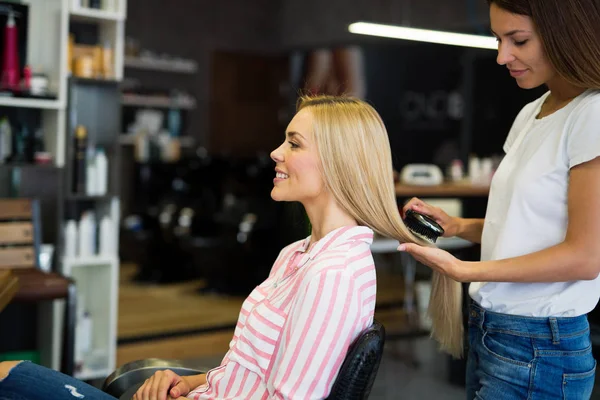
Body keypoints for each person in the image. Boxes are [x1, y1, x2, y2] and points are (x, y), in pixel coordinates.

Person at [0, 95, 434, 400]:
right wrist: (192, 383)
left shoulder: (333, 274)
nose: (275, 152)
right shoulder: (299, 254)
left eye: (294, 144)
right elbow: (255, 370)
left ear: (340, 162)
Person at [398, 0, 600, 398]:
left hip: (540, 346)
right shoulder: (531, 113)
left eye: (518, 40)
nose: (501, 56)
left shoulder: (592, 114)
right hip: (492, 328)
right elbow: (524, 227)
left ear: (566, 34)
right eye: (497, 39)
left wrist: (464, 270)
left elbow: (585, 257)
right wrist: (457, 227)